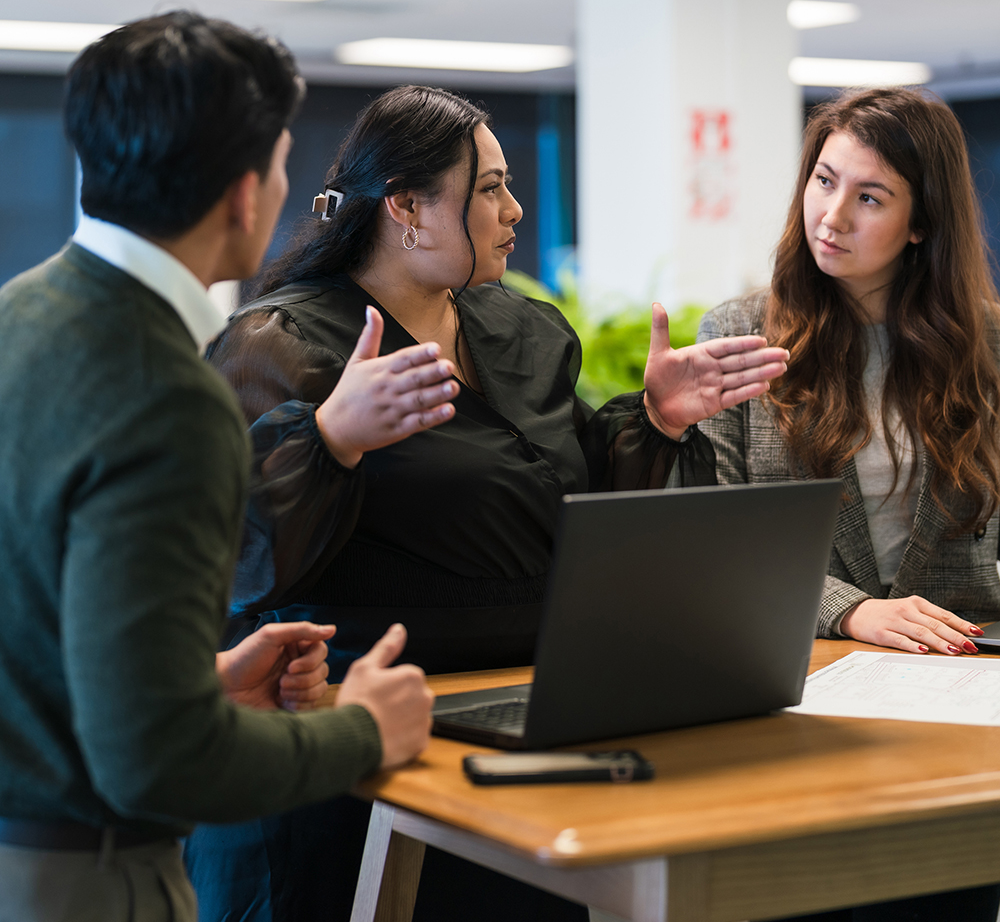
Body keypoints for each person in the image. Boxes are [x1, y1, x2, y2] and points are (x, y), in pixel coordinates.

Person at [186, 83, 791, 921]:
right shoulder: (280, 345)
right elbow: (231, 564)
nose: (514, 211)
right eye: (491, 189)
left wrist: (655, 418)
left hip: (524, 724)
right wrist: (331, 439)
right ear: (406, 207)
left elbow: (560, 502)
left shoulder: (520, 328)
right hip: (359, 740)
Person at [0, 12, 456, 922]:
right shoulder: (170, 393)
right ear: (246, 195)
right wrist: (364, 731)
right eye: (284, 164)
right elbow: (161, 762)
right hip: (89, 878)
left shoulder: (21, 314)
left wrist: (192, 682)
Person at [698, 87, 1000, 922]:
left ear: (921, 222)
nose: (831, 216)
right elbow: (718, 540)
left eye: (869, 197)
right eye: (824, 181)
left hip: (959, 704)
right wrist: (852, 611)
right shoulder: (741, 334)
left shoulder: (986, 344)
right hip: (805, 694)